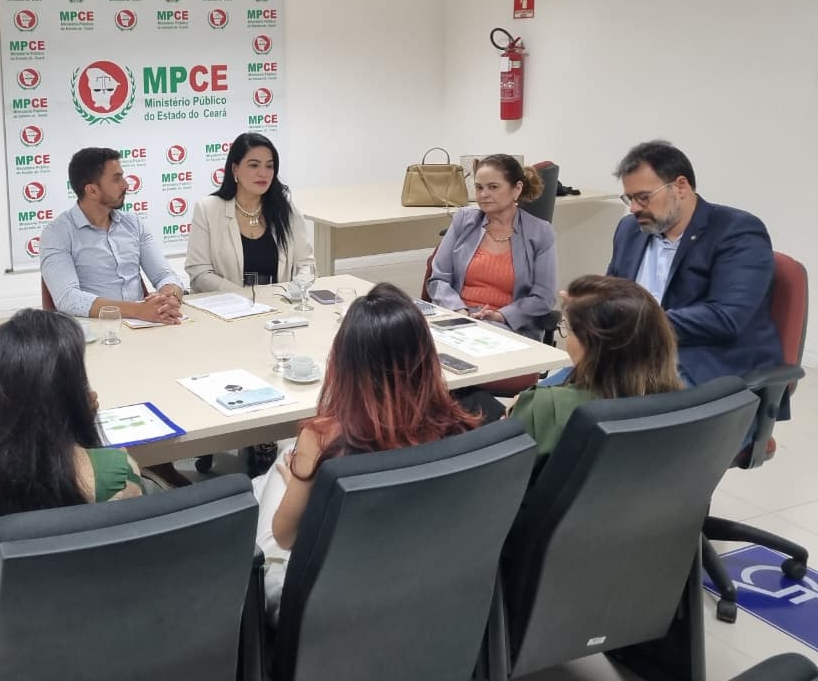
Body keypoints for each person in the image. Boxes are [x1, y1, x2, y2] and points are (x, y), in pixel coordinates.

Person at [0, 309, 142, 673]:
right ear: (71, 395)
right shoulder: (114, 473)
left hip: (14, 655)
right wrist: (85, 431)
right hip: (109, 640)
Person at [252, 283, 479, 619]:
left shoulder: (322, 437)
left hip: (326, 608)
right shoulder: (455, 427)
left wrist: (305, 482)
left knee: (272, 482)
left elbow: (285, 537)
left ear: (344, 361)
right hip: (425, 585)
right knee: (277, 473)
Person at [606, 140, 782, 385]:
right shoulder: (630, 229)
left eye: (644, 197)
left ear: (681, 187)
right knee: (557, 394)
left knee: (597, 405)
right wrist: (589, 307)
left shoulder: (737, 231)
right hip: (632, 355)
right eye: (630, 198)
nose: (634, 208)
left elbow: (725, 317)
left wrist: (640, 325)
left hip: (706, 363)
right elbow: (613, 293)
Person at [510, 275, 684, 458]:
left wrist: (519, 411)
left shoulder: (545, 407)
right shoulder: (677, 408)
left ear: (593, 345)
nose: (567, 340)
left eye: (569, 329)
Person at [41, 147, 186, 324]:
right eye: (117, 179)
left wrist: (170, 298)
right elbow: (68, 299)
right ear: (92, 190)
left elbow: (165, 275)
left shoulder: (133, 224)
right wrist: (137, 310)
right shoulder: (57, 233)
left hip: (144, 325)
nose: (126, 185)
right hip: (94, 330)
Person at [426, 154, 557, 339]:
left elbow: (544, 297)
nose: (483, 194)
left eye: (493, 187)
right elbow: (438, 279)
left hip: (508, 327)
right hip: (457, 318)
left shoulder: (540, 232)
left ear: (517, 189)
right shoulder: (464, 220)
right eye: (479, 187)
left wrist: (500, 316)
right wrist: (460, 311)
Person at [185, 132, 314, 292]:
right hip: (230, 303)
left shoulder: (286, 210)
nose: (263, 173)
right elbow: (199, 273)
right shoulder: (207, 209)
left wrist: (293, 292)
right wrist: (244, 297)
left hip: (278, 302)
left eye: (269, 166)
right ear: (235, 169)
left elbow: (306, 265)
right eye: (254, 165)